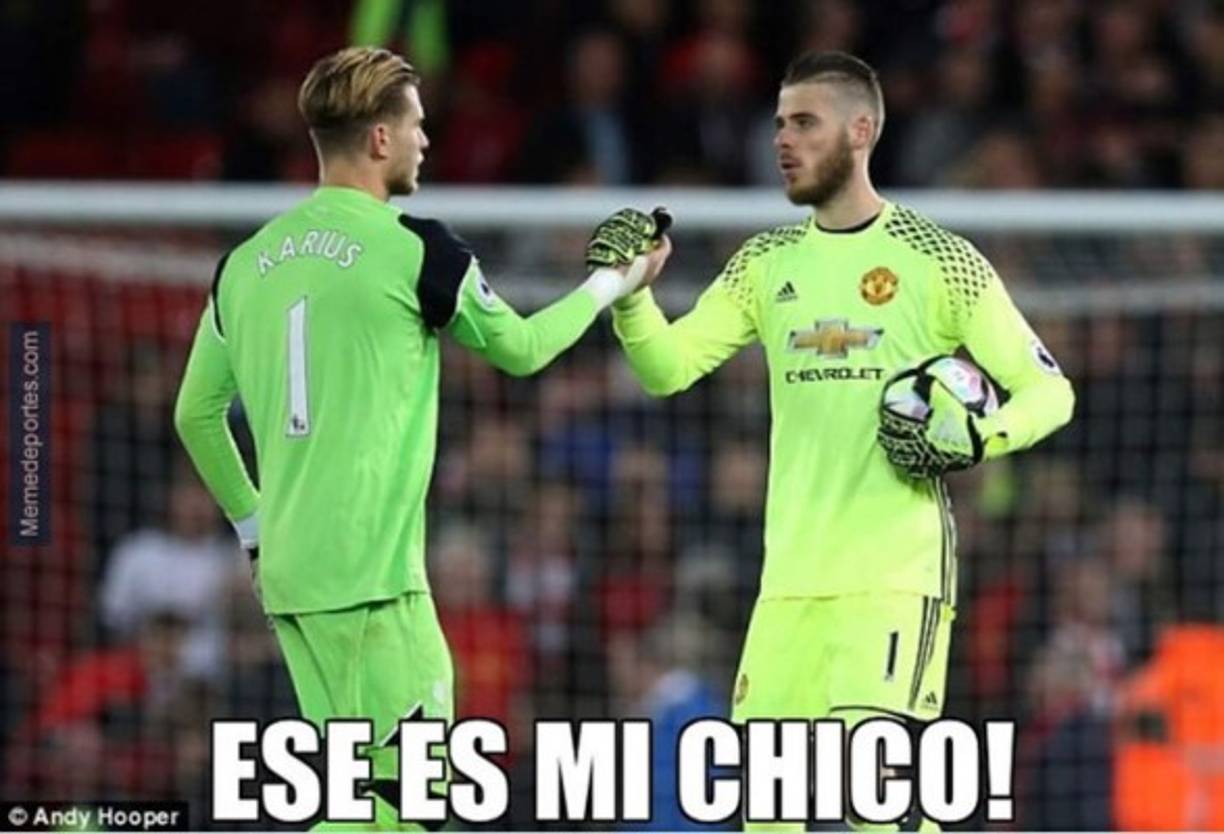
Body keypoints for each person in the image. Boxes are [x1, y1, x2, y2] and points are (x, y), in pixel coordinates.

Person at [174, 46, 661, 830]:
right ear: (379, 139)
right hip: (375, 581)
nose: (426, 141)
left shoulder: (242, 264)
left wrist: (254, 530)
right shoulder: (417, 249)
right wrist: (616, 280)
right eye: (417, 125)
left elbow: (195, 415)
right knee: (415, 806)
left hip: (292, 576)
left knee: (351, 803)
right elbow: (523, 350)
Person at [598, 50, 1075, 829]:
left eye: (805, 124)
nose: (783, 141)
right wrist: (631, 298)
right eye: (780, 124)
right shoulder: (765, 262)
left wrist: (976, 439)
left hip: (894, 581)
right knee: (765, 815)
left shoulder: (939, 259)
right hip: (787, 587)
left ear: (860, 132)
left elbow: (1050, 391)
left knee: (879, 811)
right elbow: (668, 368)